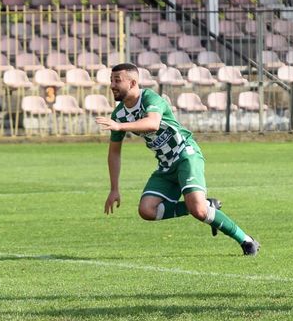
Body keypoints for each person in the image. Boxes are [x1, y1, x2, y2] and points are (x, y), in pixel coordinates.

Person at [95, 63, 260, 256]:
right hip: (165, 165)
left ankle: (247, 241)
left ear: (132, 83)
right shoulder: (119, 114)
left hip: (185, 154)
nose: (112, 85)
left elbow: (153, 124)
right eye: (111, 81)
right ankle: (208, 205)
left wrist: (120, 127)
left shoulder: (150, 98)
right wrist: (114, 188)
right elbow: (114, 152)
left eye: (117, 81)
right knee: (147, 210)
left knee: (198, 211)